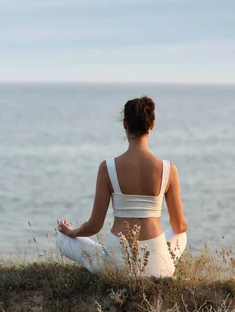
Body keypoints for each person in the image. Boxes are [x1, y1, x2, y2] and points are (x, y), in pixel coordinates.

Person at [56, 96, 188, 277]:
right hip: (158, 265)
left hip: (116, 265)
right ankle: (164, 263)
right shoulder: (168, 169)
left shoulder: (107, 168)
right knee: (180, 235)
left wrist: (72, 233)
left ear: (125, 124)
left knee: (62, 240)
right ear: (152, 126)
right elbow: (179, 226)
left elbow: (95, 226)